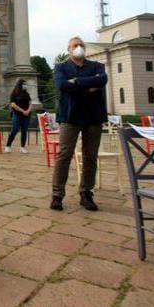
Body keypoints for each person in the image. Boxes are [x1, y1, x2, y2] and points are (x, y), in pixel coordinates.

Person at [50, 36, 108, 212]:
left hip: (93, 115)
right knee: (64, 154)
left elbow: (102, 80)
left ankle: (86, 193)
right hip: (70, 115)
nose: (79, 47)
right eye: (75, 45)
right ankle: (57, 195)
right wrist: (89, 85)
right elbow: (61, 85)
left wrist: (76, 82)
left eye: (81, 45)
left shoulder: (98, 66)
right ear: (69, 49)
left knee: (90, 156)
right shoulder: (61, 67)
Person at [5, 79, 31, 153]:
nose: (26, 86)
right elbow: (13, 104)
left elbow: (30, 103)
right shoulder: (14, 93)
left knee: (24, 131)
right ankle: (8, 145)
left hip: (26, 115)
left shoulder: (26, 93)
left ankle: (22, 147)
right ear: (20, 85)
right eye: (24, 84)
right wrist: (23, 111)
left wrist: (28, 110)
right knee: (14, 130)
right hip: (17, 114)